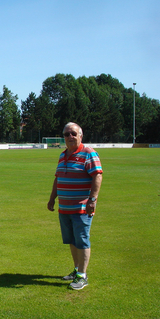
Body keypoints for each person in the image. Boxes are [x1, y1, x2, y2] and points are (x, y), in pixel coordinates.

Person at [47, 122, 103, 290]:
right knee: (72, 240)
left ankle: (82, 275)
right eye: (66, 134)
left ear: (81, 135)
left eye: (73, 133)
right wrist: (52, 199)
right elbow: (58, 179)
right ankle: (77, 269)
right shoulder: (63, 155)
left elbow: (97, 176)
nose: (70, 137)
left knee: (82, 239)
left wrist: (92, 199)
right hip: (64, 208)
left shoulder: (89, 153)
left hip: (81, 208)